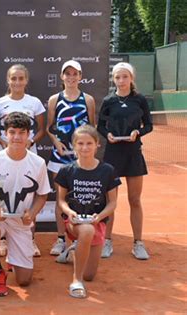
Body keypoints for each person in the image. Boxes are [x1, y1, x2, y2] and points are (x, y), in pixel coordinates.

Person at [0, 112, 51, 296]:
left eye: (21, 132)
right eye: (12, 132)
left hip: (21, 222)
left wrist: (32, 214)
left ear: (28, 135)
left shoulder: (38, 163)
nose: (17, 137)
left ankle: (14, 257)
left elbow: (42, 195)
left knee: (24, 281)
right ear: (5, 134)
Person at [54, 125, 121, 298]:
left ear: (97, 144)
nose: (84, 148)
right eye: (80, 143)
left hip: (97, 222)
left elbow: (113, 202)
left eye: (89, 143)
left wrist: (100, 216)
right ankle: (76, 281)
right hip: (73, 223)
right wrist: (69, 213)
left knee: (90, 275)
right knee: (86, 230)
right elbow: (61, 200)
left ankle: (73, 252)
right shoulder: (66, 170)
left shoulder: (108, 171)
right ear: (74, 145)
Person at [97, 62, 153, 260]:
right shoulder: (108, 100)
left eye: (125, 77)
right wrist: (108, 134)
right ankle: (107, 241)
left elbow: (149, 125)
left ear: (131, 78)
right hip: (113, 154)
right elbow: (100, 126)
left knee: (134, 200)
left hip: (133, 154)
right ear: (114, 79)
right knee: (111, 201)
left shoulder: (139, 100)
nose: (121, 81)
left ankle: (138, 243)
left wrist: (139, 132)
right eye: (117, 77)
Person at [0, 64, 46, 257]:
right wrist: (3, 143)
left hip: (28, 155)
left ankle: (30, 238)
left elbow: (41, 129)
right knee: (3, 195)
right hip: (5, 156)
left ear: (26, 81)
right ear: (8, 80)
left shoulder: (35, 102)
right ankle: (3, 239)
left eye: (21, 78)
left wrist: (30, 142)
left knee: (28, 195)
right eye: (13, 78)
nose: (17, 82)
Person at [46, 60, 96, 257]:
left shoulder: (88, 100)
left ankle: (78, 240)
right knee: (61, 199)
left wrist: (83, 148)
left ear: (80, 76)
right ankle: (60, 239)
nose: (71, 77)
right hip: (59, 157)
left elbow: (91, 128)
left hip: (81, 158)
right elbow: (50, 127)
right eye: (67, 73)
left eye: (75, 74)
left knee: (79, 199)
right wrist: (56, 142)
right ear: (62, 77)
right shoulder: (54, 100)